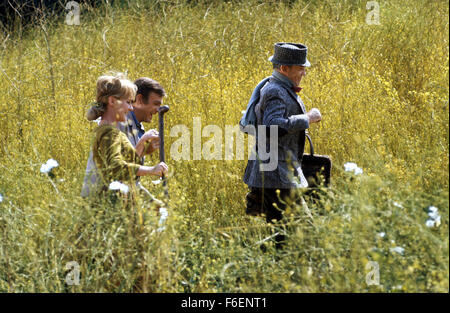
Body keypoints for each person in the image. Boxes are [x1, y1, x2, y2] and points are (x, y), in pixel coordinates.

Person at [242, 42, 322, 248]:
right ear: (284, 69)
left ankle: (265, 270)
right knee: (307, 230)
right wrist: (307, 118)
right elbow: (272, 127)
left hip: (273, 172)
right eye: (300, 68)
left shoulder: (278, 87)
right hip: (275, 174)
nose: (304, 72)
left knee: (281, 234)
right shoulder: (275, 91)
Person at [84, 73, 168, 205]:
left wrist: (144, 148)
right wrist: (151, 170)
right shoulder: (111, 131)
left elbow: (125, 163)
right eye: (128, 102)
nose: (130, 107)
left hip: (112, 200)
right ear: (112, 101)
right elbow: (117, 168)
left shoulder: (112, 130)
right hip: (104, 203)